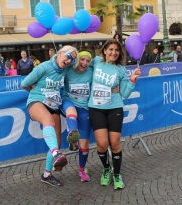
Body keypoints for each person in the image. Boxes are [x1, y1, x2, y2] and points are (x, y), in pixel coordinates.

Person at [21, 45, 78, 187]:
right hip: (37, 101)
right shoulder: (44, 67)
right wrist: (33, 88)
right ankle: (57, 155)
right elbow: (24, 84)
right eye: (68, 56)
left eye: (73, 60)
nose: (69, 61)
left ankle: (47, 175)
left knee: (57, 143)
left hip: (54, 105)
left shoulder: (66, 70)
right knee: (48, 121)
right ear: (59, 53)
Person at [88, 39, 141, 190]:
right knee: (102, 144)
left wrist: (132, 79)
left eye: (116, 50)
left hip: (115, 108)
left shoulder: (121, 69)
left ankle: (117, 174)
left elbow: (124, 92)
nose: (113, 52)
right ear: (104, 50)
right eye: (110, 49)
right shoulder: (96, 61)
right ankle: (106, 169)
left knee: (115, 143)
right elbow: (81, 66)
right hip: (96, 108)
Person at [60, 51, 93, 182]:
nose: (84, 63)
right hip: (69, 102)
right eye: (82, 59)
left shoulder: (91, 71)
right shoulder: (68, 70)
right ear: (77, 59)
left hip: (85, 108)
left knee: (84, 144)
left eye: (87, 60)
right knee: (71, 111)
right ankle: (73, 137)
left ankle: (81, 169)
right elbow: (54, 73)